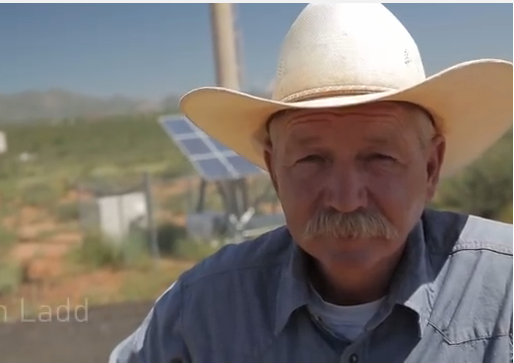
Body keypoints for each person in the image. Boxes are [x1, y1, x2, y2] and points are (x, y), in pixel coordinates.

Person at [109, 3, 512, 362]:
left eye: (379, 158)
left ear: (430, 166)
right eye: (311, 160)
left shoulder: (504, 294)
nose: (345, 199)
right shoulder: (200, 314)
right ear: (274, 170)